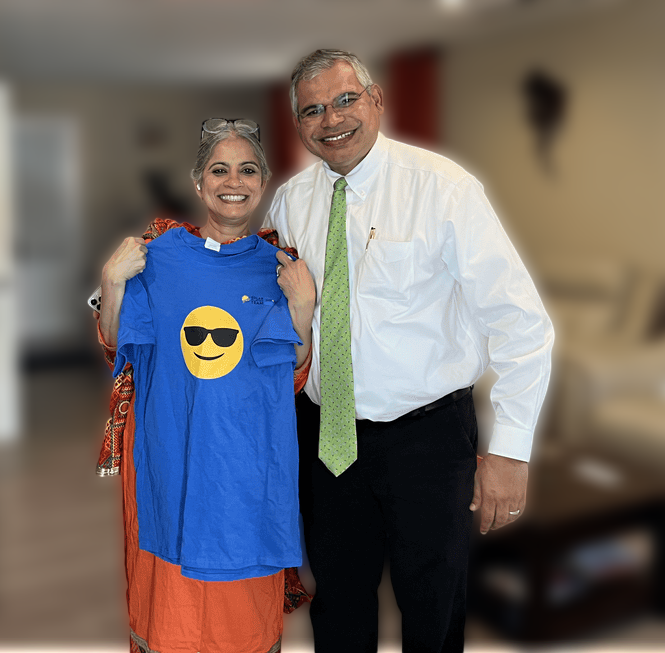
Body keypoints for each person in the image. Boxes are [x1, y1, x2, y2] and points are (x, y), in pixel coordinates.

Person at [264, 50, 555, 653]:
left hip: (428, 440)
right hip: (326, 438)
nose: (331, 119)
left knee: (434, 605)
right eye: (312, 110)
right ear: (299, 125)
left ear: (376, 101)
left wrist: (510, 452)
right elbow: (253, 298)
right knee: (338, 606)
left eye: (345, 100)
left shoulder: (443, 190)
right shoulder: (291, 203)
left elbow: (522, 325)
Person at [95, 119, 315, 653]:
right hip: (172, 462)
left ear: (263, 182)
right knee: (171, 611)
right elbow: (118, 348)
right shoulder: (158, 257)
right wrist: (111, 281)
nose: (232, 180)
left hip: (248, 470)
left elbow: (294, 375)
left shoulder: (282, 269)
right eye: (219, 169)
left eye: (247, 169)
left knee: (243, 622)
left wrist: (303, 311)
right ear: (199, 183)